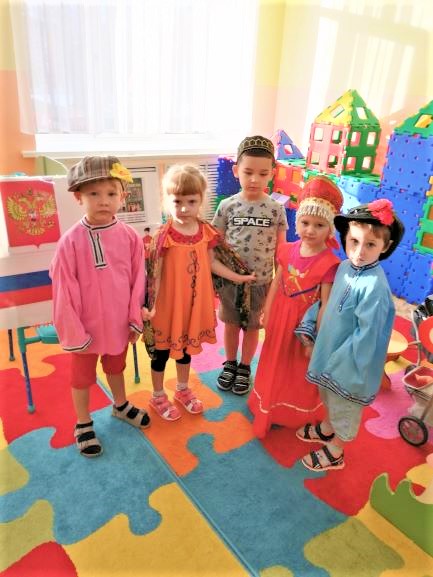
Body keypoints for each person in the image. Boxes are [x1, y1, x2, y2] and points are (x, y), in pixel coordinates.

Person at [50, 156, 149, 458]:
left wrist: (134, 317)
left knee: (116, 367)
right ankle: (83, 421)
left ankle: (120, 405)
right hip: (85, 326)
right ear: (79, 197)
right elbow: (63, 289)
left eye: (110, 193)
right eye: (94, 193)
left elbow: (138, 279)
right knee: (82, 377)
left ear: (122, 196)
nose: (103, 201)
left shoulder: (130, 237)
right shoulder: (69, 242)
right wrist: (73, 330)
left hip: (118, 322)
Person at [296, 198, 404, 471]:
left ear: (385, 246)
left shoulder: (375, 288)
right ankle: (327, 427)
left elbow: (368, 337)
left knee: (345, 406)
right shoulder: (345, 267)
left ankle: (336, 451)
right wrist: (311, 326)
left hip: (351, 364)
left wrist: (343, 362)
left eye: (370, 245)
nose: (359, 252)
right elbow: (329, 302)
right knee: (328, 396)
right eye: (354, 241)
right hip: (329, 349)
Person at [142, 164, 256, 421]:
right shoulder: (164, 236)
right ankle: (157, 395)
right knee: (161, 353)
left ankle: (182, 389)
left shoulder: (205, 232)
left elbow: (213, 263)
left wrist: (239, 277)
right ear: (166, 201)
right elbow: (154, 274)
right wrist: (151, 305)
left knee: (184, 350)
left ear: (201, 200)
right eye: (177, 201)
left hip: (192, 307)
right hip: (168, 308)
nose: (184, 208)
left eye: (191, 201)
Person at [247, 176, 343, 437]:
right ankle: (267, 403)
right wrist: (267, 311)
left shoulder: (329, 263)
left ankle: (290, 411)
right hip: (280, 317)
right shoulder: (286, 250)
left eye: (319, 225)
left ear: (330, 229)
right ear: (297, 221)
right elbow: (276, 282)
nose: (310, 230)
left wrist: (317, 339)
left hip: (303, 328)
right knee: (274, 361)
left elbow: (325, 304)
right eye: (305, 222)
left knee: (295, 368)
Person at [211, 135, 288, 395]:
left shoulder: (276, 209)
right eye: (248, 172)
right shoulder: (227, 206)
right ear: (236, 171)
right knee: (231, 324)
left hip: (261, 282)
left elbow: (281, 249)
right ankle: (230, 363)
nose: (254, 179)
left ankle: (245, 366)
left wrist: (279, 283)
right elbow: (216, 244)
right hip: (231, 281)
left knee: (253, 326)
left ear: (272, 174)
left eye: (263, 173)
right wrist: (217, 279)